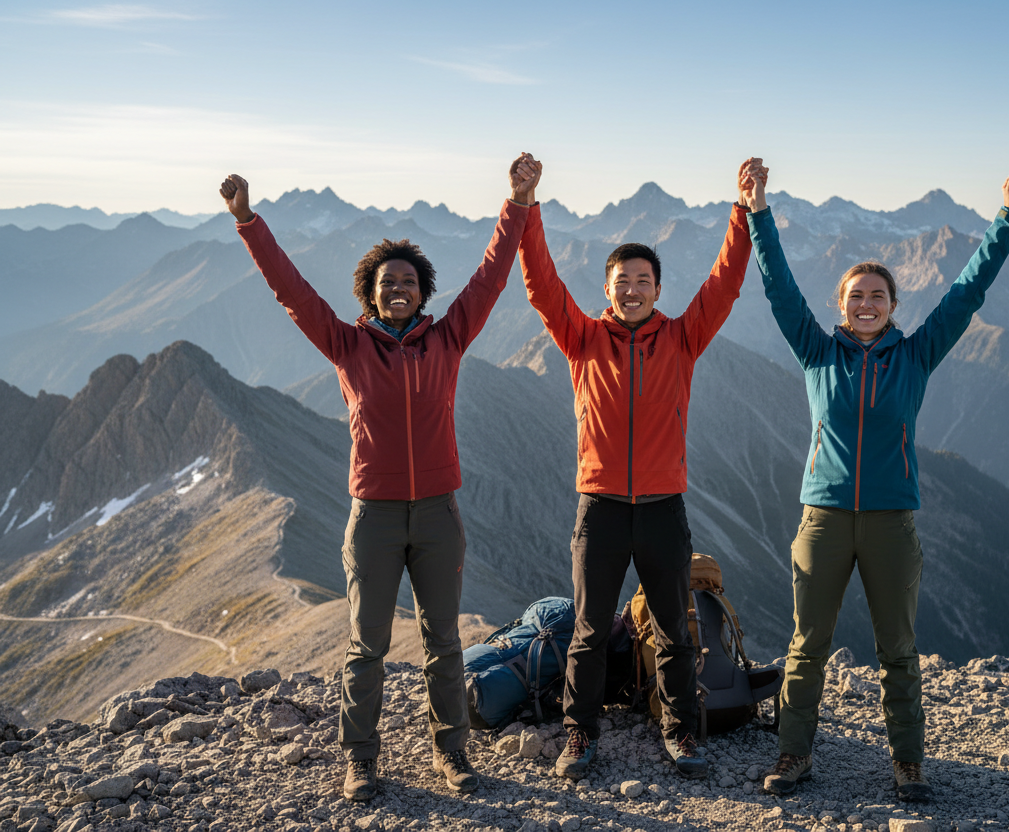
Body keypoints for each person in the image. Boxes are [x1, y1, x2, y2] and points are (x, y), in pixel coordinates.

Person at [218, 155, 541, 801]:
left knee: (444, 644)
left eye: (409, 281)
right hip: (374, 515)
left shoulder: (447, 339)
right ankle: (360, 760)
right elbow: (291, 292)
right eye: (387, 281)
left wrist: (518, 201)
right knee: (366, 646)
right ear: (369, 292)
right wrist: (247, 220)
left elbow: (489, 280)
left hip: (437, 515)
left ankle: (451, 755)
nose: (398, 288)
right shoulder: (347, 346)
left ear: (423, 292)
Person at [747, 169, 1009, 801]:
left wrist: (1007, 219)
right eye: (856, 297)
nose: (867, 305)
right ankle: (793, 754)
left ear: (893, 306)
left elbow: (967, 292)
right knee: (806, 646)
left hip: (891, 524)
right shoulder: (816, 352)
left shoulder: (916, 354)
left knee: (898, 651)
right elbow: (778, 288)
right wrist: (758, 212)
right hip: (822, 517)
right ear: (840, 306)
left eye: (878, 296)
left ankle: (908, 762)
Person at [512, 156, 765, 780]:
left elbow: (726, 283)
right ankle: (580, 735)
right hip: (599, 507)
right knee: (590, 631)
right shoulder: (582, 340)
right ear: (608, 288)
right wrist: (525, 204)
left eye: (642, 280)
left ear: (658, 288)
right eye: (621, 281)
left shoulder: (682, 337)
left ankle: (683, 731)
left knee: (677, 629)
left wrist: (743, 209)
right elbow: (541, 285)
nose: (631, 289)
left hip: (661, 509)